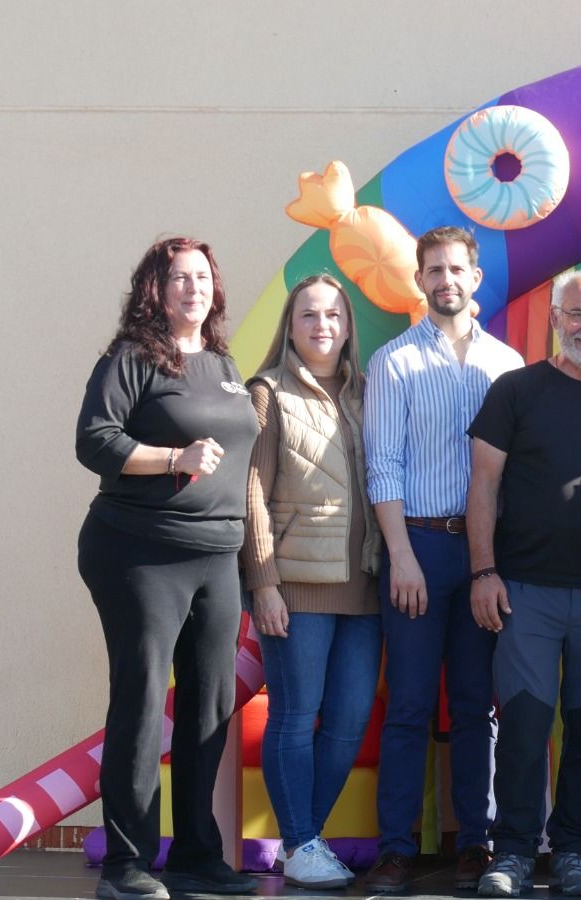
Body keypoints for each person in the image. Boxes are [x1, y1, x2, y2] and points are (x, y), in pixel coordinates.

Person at [74, 236, 260, 900]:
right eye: (180, 277)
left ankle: (196, 856)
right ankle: (127, 865)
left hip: (217, 555)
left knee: (210, 704)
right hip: (139, 550)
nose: (194, 288)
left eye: (203, 277)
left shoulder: (222, 364)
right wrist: (173, 459)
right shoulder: (130, 358)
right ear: (155, 288)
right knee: (144, 698)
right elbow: (94, 440)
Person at [467, 269, 581, 898]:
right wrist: (483, 571)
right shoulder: (515, 391)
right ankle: (514, 852)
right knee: (523, 727)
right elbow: (483, 486)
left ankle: (573, 851)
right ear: (554, 317)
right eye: (577, 313)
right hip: (524, 591)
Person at [361, 226, 524, 894]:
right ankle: (396, 850)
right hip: (418, 547)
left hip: (485, 555)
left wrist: (498, 562)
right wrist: (400, 555)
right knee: (408, 704)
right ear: (420, 279)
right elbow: (382, 464)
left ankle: (475, 844)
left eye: (456, 269)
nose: (445, 280)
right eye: (434, 270)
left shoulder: (507, 364)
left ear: (475, 278)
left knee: (476, 705)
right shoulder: (392, 362)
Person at [241, 274, 381, 889]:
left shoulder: (368, 393)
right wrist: (263, 581)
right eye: (308, 315)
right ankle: (301, 842)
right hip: (296, 585)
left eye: (333, 315)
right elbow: (251, 491)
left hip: (365, 587)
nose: (322, 325)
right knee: (296, 716)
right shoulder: (267, 392)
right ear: (290, 326)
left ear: (348, 327)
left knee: (348, 720)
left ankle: (304, 841)